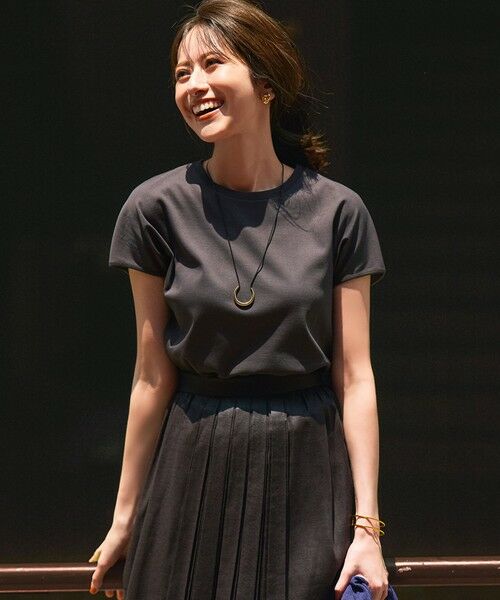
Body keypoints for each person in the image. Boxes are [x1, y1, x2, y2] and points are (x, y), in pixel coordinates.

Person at [88, 0, 389, 598]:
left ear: (266, 83)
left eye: (212, 64)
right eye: (182, 73)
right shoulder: (153, 209)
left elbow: (355, 378)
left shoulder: (338, 212)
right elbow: (151, 377)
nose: (193, 85)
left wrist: (367, 528)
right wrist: (124, 519)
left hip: (307, 465)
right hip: (190, 460)